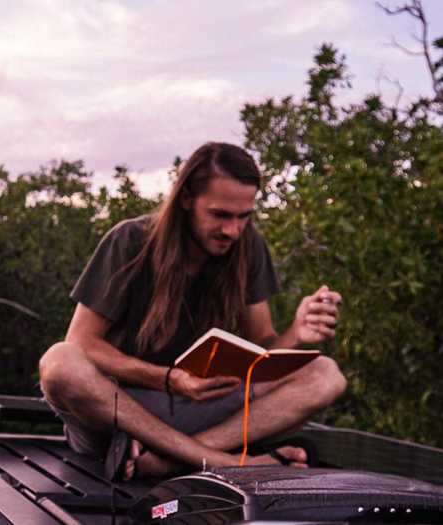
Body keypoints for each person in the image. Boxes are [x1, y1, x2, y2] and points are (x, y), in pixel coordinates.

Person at [39, 142, 347, 480]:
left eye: (244, 217)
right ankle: (218, 461)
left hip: (199, 410)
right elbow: (83, 343)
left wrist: (296, 333)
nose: (233, 230)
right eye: (220, 215)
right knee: (59, 361)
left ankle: (169, 460)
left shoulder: (248, 248)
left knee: (325, 374)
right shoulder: (131, 241)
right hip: (121, 416)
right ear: (186, 199)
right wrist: (169, 380)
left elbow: (263, 352)